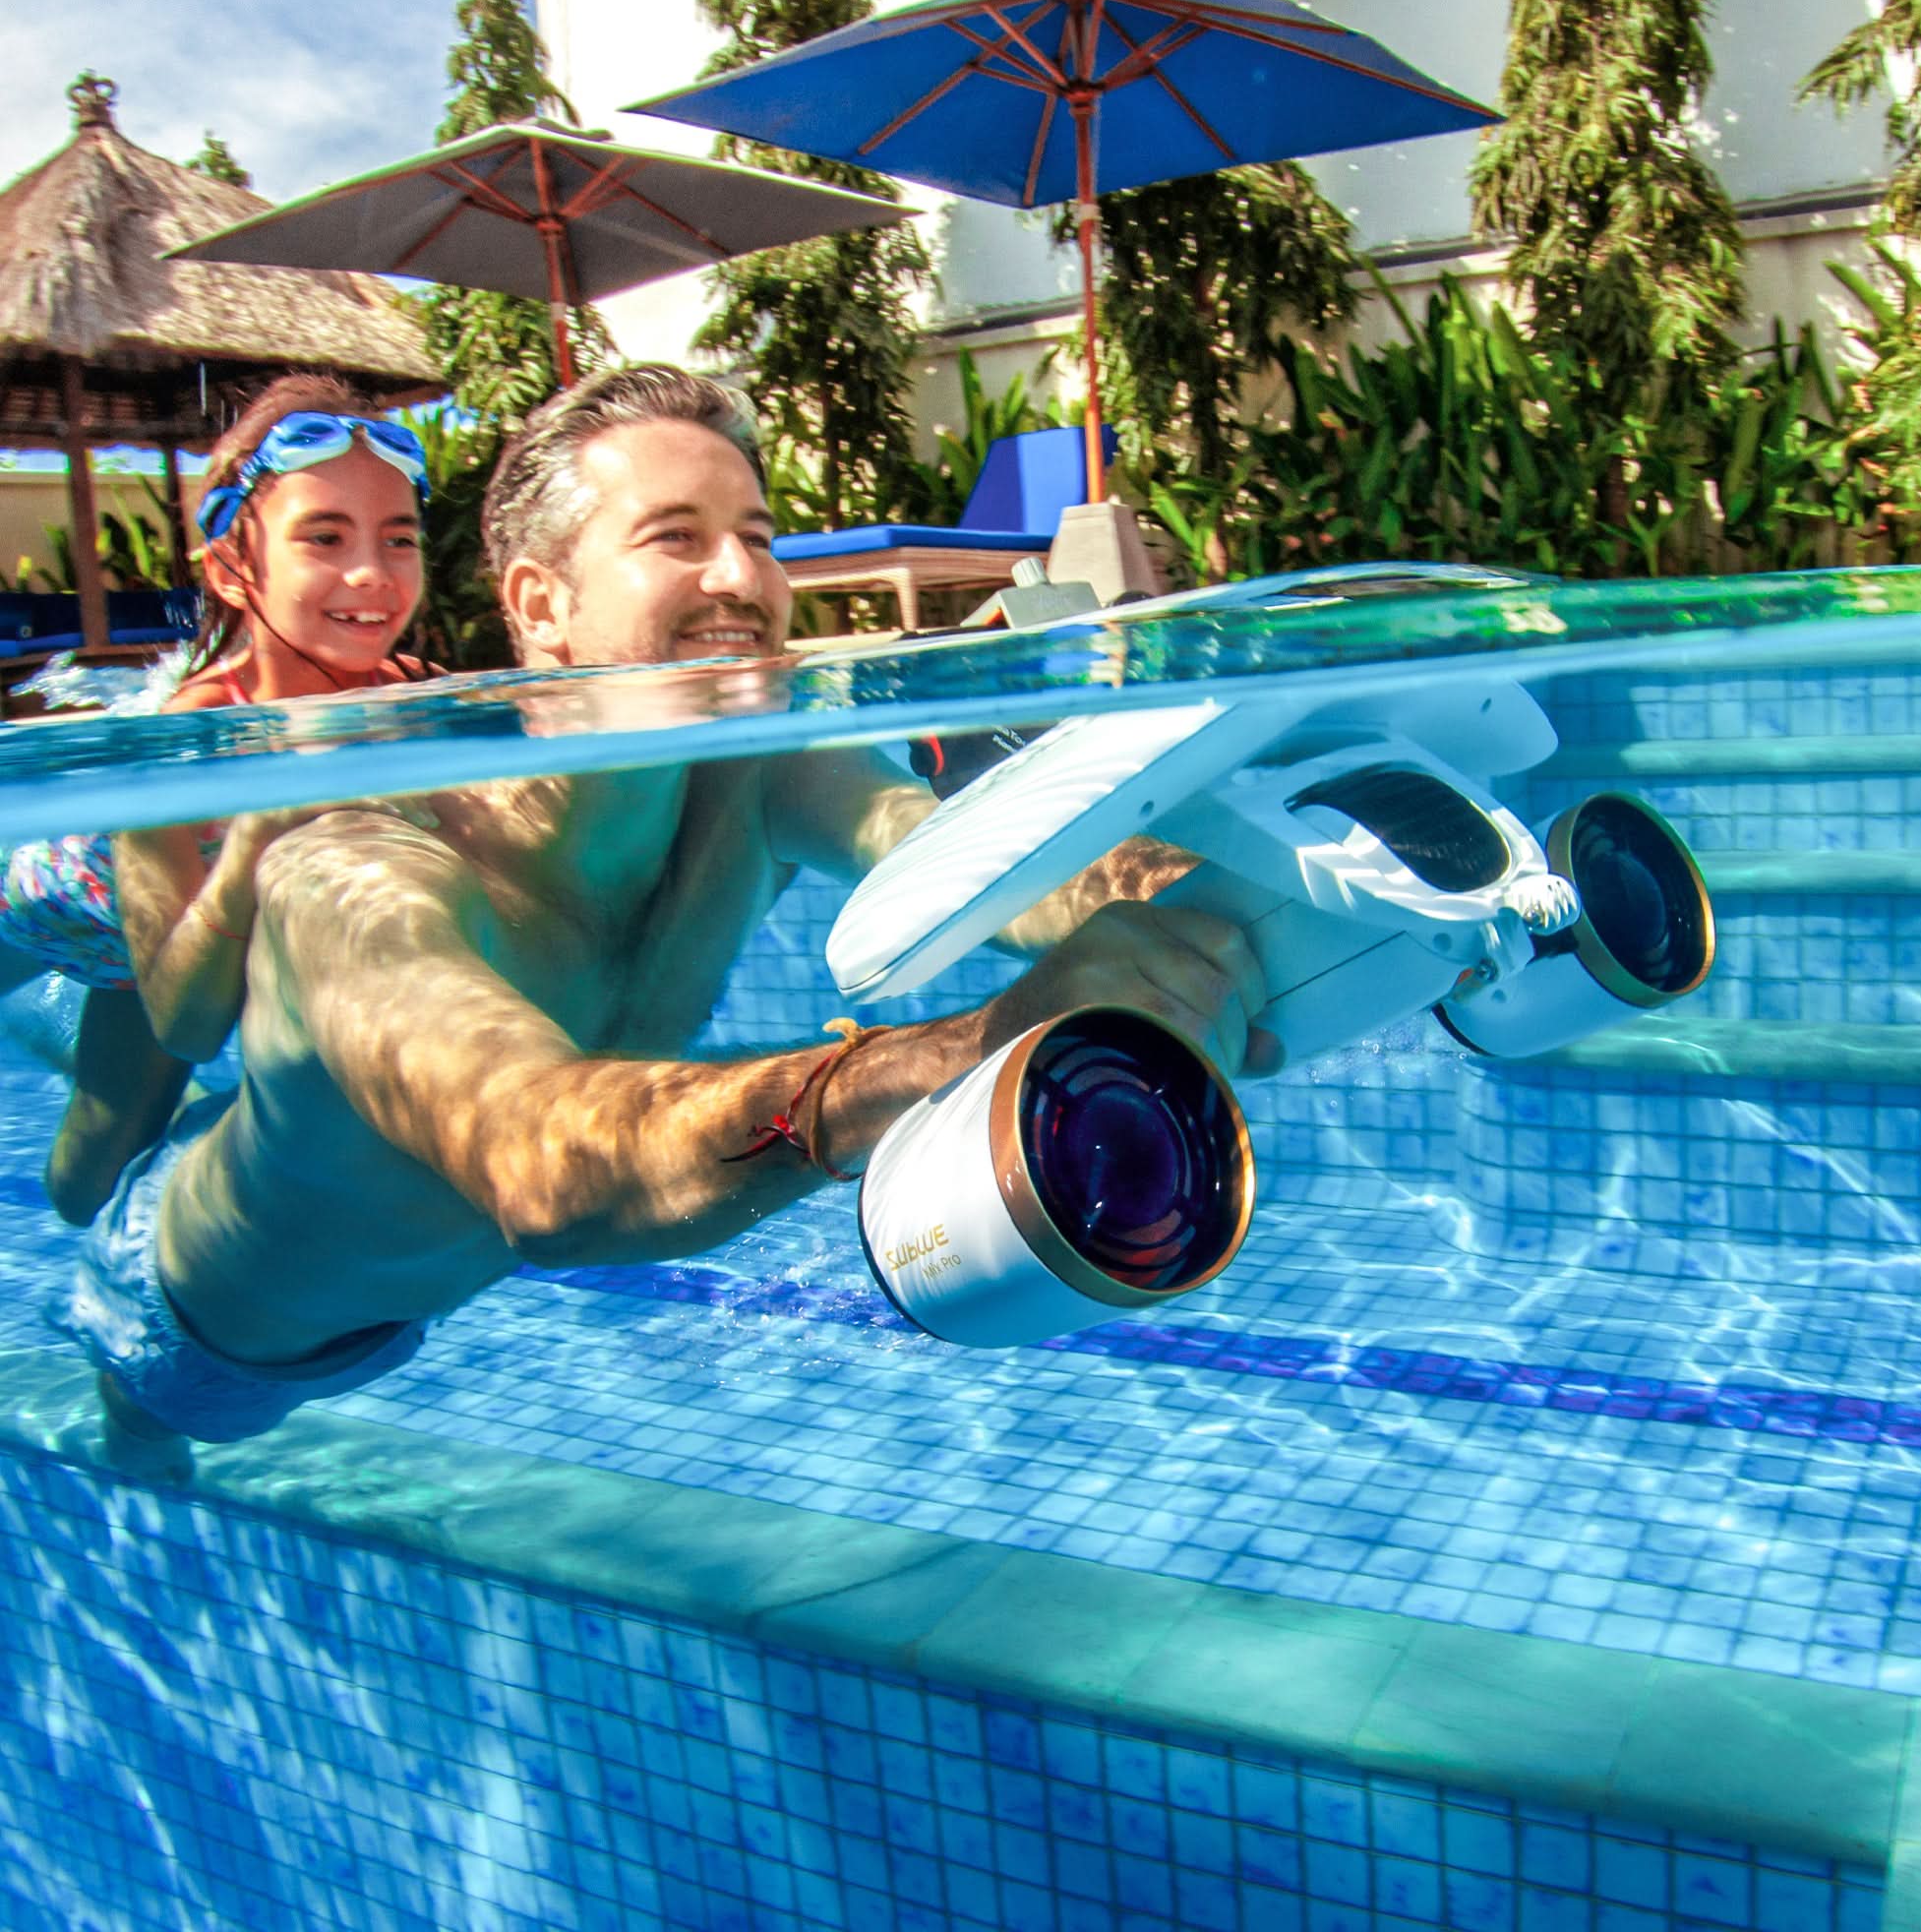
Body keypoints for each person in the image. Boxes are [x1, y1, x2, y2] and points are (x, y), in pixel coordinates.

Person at [63, 364, 1269, 1456]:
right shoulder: (363, 871)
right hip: (209, 1323)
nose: (741, 581)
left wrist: (1221, 910)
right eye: (674, 540)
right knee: (126, 1441)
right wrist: (964, 1048)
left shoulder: (755, 762)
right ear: (538, 605)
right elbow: (541, 1168)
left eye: (756, 536)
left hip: (396, 1259)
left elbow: (968, 852)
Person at [0, 375, 435, 1227]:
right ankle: (35, 1012)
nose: (370, 573)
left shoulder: (421, 700)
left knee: (85, 1188)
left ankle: (48, 1029)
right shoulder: (183, 742)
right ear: (236, 568)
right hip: (39, 904)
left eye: (399, 538)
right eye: (325, 536)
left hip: (154, 956)